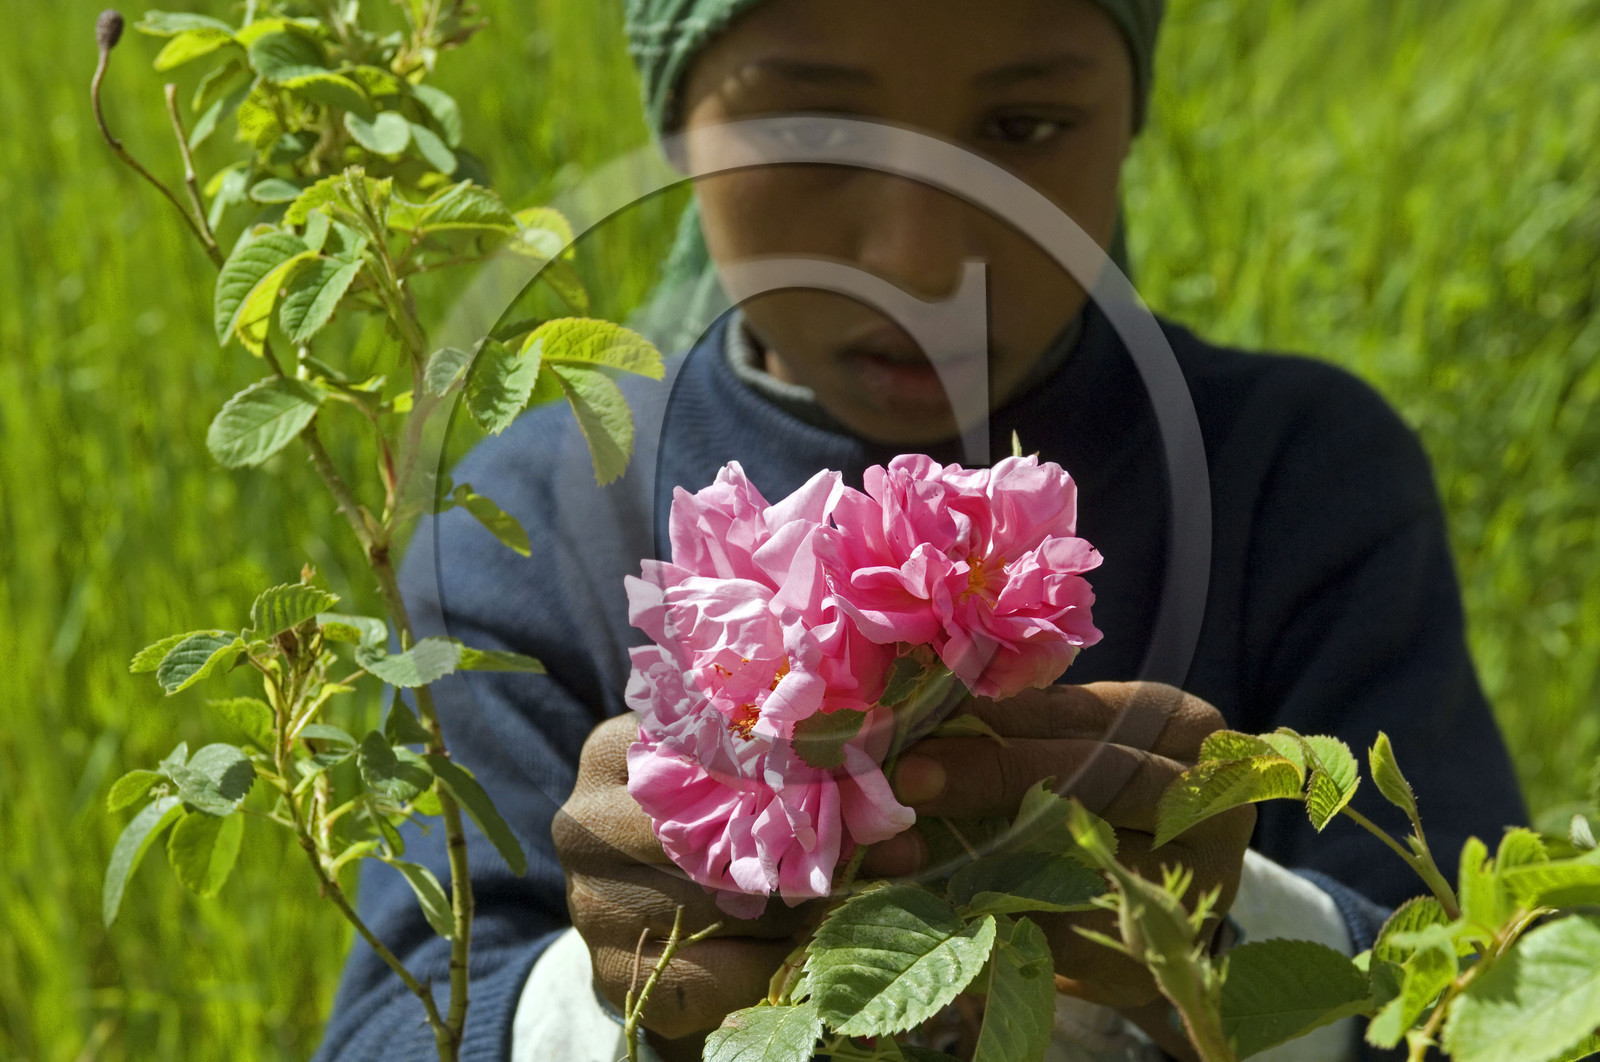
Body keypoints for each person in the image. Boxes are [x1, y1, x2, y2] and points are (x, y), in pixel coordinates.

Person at [314, 1, 1528, 1060]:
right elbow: (393, 1023)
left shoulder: (1296, 480)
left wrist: (1233, 932)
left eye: (1021, 131)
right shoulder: (533, 525)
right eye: (814, 133)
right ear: (673, 120)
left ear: (1132, 114)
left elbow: (1500, 992)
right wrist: (613, 999)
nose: (917, 255)